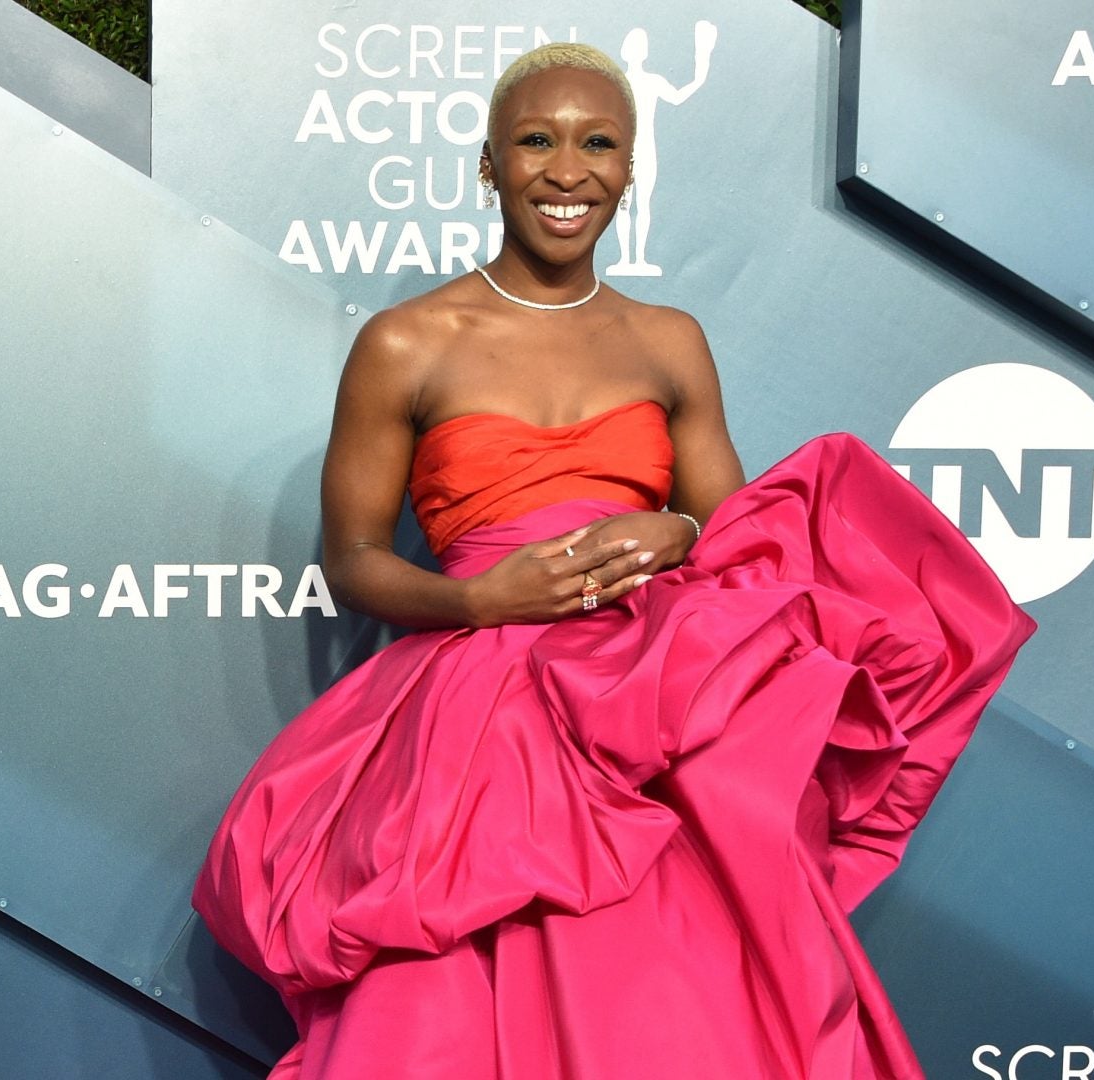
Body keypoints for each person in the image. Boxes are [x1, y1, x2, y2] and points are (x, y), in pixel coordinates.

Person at [193, 41, 1036, 1080]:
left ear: (630, 168)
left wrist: (680, 532)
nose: (567, 170)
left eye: (599, 143)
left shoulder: (667, 340)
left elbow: (749, 539)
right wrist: (477, 599)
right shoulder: (406, 343)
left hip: (649, 696)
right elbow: (355, 561)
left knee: (686, 1002)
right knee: (445, 994)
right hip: (476, 703)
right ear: (488, 164)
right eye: (536, 141)